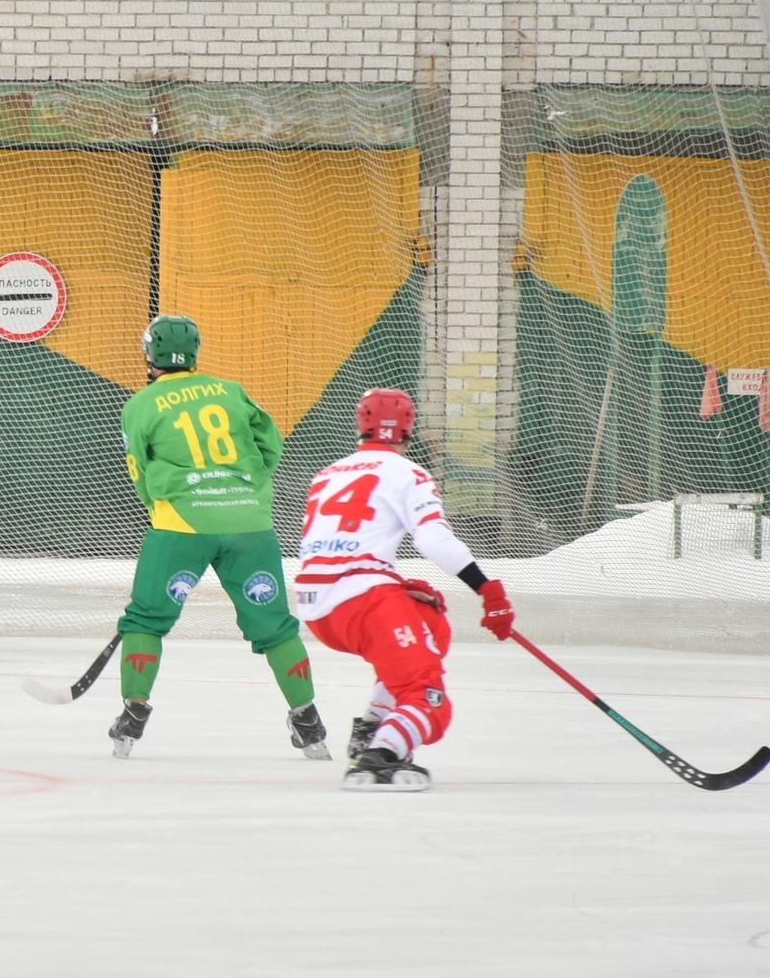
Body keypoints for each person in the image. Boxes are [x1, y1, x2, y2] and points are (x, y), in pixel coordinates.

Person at [106, 314, 325, 760]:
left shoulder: (141, 405)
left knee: (146, 620)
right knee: (275, 626)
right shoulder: (231, 390)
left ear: (150, 355)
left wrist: (166, 503)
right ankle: (308, 720)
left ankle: (133, 714)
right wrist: (245, 490)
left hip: (180, 527)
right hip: (250, 525)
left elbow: (141, 473)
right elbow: (270, 447)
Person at [292, 388, 517, 790]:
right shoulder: (409, 473)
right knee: (430, 703)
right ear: (409, 430)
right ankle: (381, 754)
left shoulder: (326, 475)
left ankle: (373, 725)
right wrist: (487, 590)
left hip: (316, 607)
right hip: (362, 601)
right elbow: (433, 540)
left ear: (360, 425)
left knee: (429, 620)